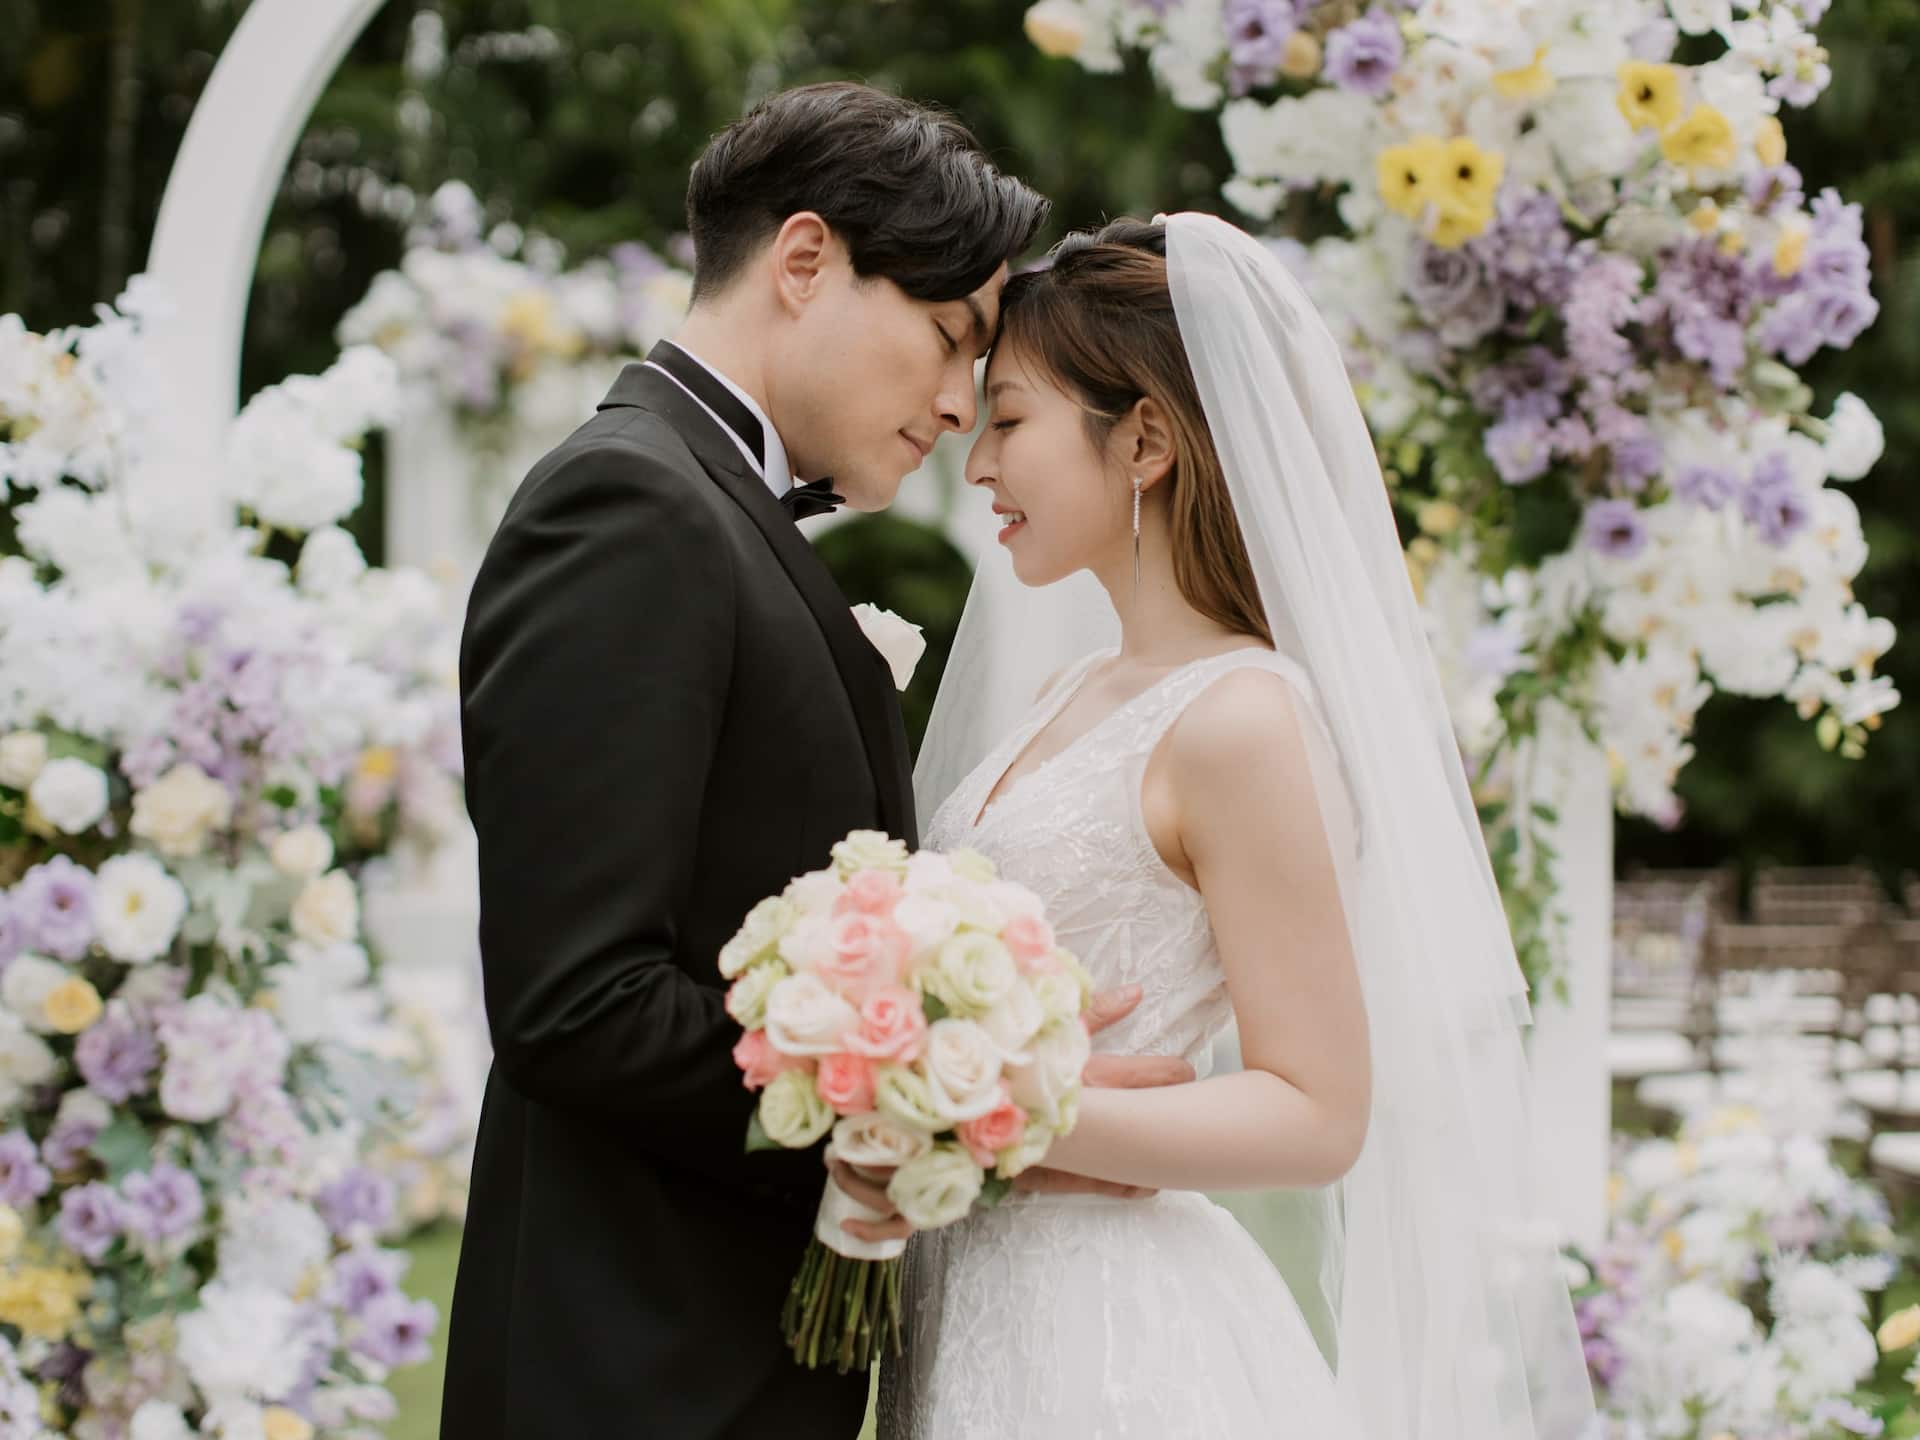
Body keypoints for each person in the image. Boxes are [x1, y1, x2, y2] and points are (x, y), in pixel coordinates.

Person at [444, 84, 1190, 1440]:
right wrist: (951, 1108)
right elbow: (579, 1000)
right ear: (803, 263)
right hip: (634, 1373)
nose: (964, 404)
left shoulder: (705, 504)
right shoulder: (631, 506)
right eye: (952, 337)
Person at [880, 215, 1596, 1439]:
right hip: (968, 1291)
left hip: (1105, 1339)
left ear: (1144, 438)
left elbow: (1316, 1110)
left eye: (1010, 422)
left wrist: (1001, 1114)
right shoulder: (1063, 693)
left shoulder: (1243, 719)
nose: (978, 465)